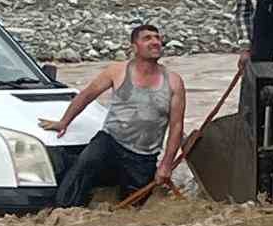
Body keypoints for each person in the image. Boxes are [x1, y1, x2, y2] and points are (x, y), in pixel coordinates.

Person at [40, 23, 186, 208]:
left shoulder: (174, 81)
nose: (155, 42)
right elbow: (86, 95)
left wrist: (166, 165)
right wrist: (64, 122)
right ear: (134, 47)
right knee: (84, 166)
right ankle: (61, 212)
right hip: (111, 142)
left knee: (134, 207)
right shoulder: (117, 71)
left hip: (144, 156)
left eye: (157, 38)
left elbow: (176, 127)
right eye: (147, 38)